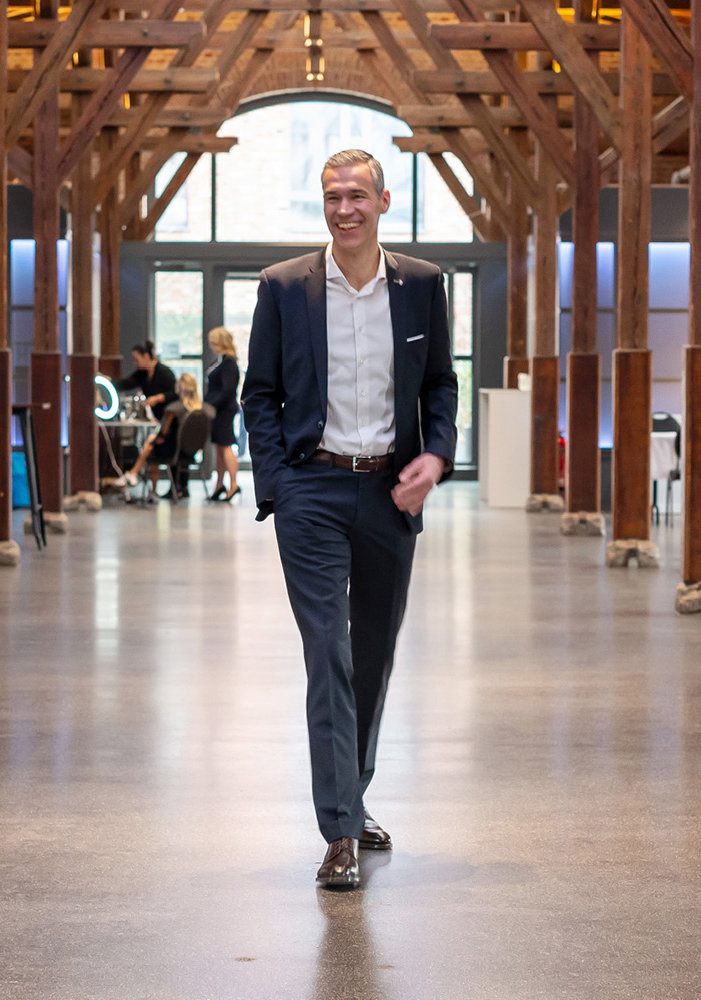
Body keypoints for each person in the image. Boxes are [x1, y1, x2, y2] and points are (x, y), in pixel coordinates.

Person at [240, 149, 458, 888]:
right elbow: (257, 395)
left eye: (357, 195)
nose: (344, 208)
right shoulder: (284, 288)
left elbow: (440, 386)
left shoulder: (423, 285)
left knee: (373, 657)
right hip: (312, 490)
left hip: (391, 492)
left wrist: (437, 458)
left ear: (384, 200)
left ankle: (352, 797)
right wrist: (278, 487)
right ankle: (339, 833)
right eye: (333, 197)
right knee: (327, 649)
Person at [112, 373, 213, 501]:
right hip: (191, 452)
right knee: (152, 441)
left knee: (151, 442)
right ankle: (135, 474)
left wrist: (157, 436)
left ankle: (138, 478)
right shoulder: (203, 409)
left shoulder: (173, 409)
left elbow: (164, 432)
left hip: (174, 452)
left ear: (180, 387)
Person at [204, 327, 241, 502]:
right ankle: (220, 484)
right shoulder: (220, 361)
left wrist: (212, 404)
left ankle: (233, 484)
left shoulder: (229, 363)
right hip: (217, 410)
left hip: (223, 410)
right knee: (219, 448)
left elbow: (228, 389)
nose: (211, 346)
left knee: (226, 446)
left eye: (213, 342)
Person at [116, 341, 177, 420]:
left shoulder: (164, 373)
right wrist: (108, 380)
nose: (135, 363)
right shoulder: (142, 374)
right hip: (158, 418)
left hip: (169, 419)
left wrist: (158, 398)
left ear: (146, 356)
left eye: (137, 360)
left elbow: (174, 393)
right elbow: (126, 383)